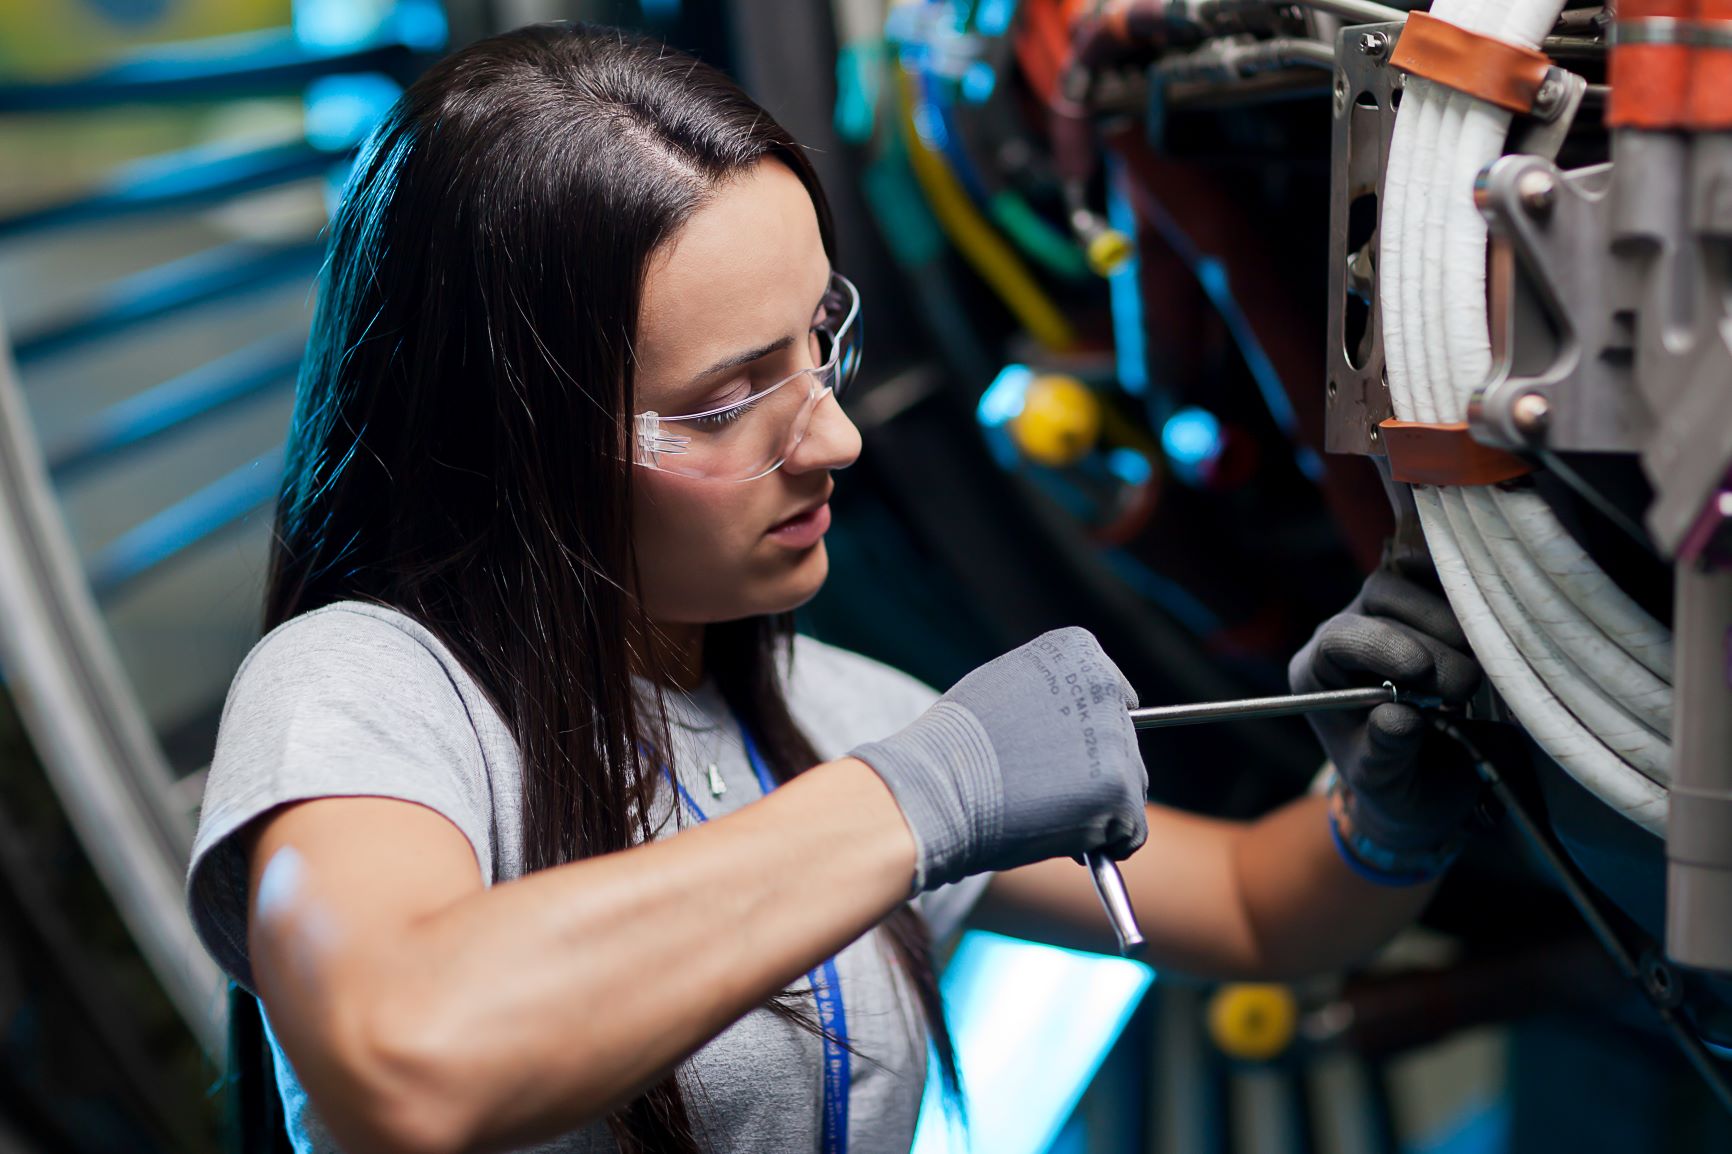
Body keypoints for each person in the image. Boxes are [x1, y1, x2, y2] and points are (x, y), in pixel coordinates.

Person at [184, 21, 1484, 1154]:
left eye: (820, 342)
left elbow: (1257, 904)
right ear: (511, 441)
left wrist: (1386, 801)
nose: (833, 436)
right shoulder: (362, 687)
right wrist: (922, 791)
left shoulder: (820, 707)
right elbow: (403, 1056)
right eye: (728, 399)